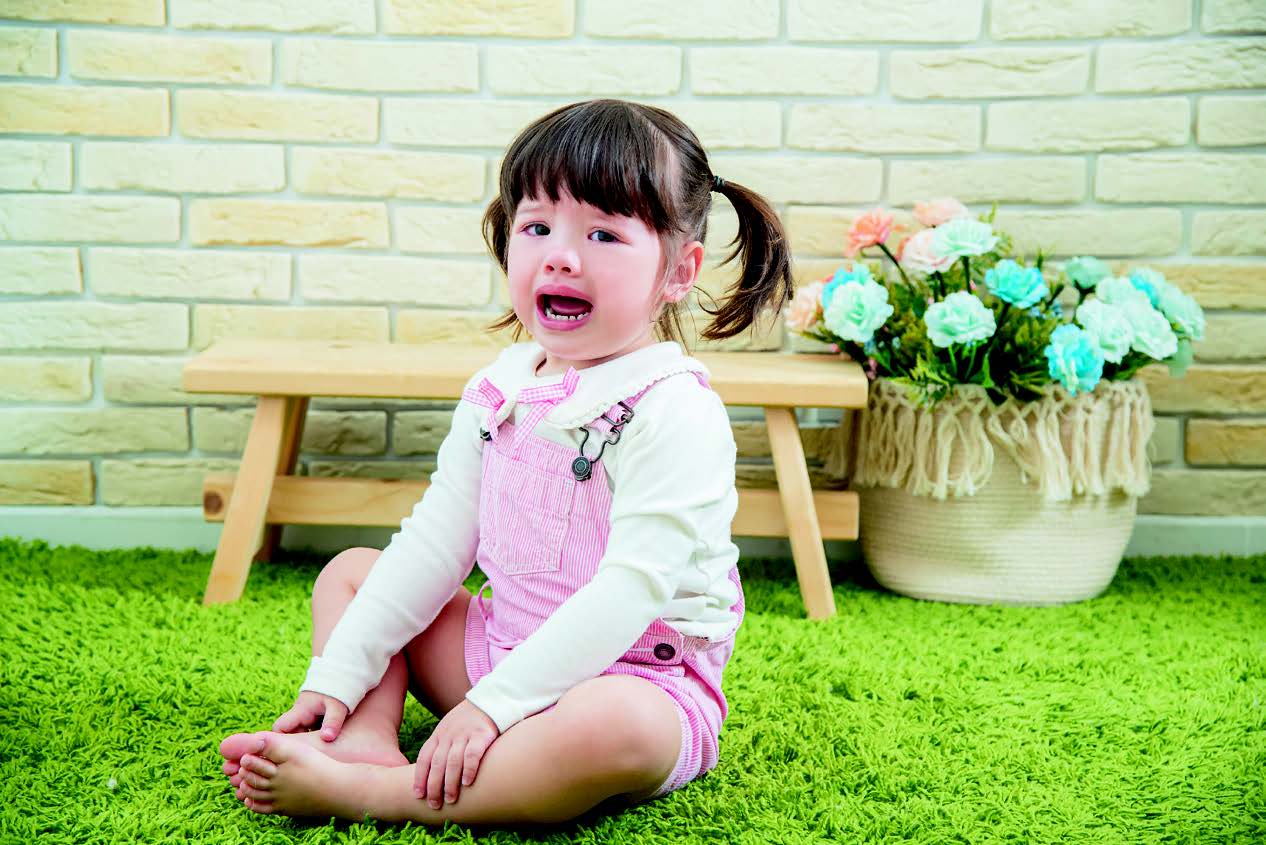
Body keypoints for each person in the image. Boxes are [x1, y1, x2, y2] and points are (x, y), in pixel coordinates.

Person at [217, 98, 793, 825]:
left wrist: (492, 708)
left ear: (679, 270)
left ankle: (374, 795)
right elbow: (436, 543)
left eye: (604, 234)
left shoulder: (673, 408)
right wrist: (339, 676)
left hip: (632, 679)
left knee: (619, 726)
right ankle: (362, 739)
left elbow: (632, 588)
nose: (561, 255)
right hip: (500, 648)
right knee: (354, 574)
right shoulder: (500, 391)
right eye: (538, 227)